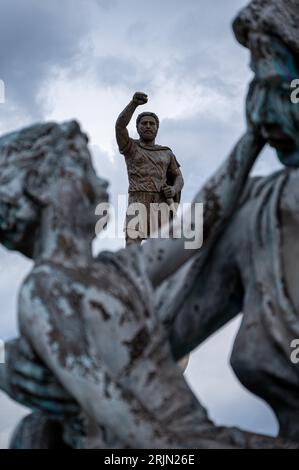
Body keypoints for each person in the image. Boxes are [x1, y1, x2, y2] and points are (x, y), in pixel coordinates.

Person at [0, 116, 283, 448]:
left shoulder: (118, 268)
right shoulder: (46, 289)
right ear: (38, 185)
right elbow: (106, 401)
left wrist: (253, 135)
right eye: (83, 167)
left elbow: (200, 221)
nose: (103, 183)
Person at [115, 92, 184, 245]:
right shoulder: (131, 147)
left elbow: (178, 177)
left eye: (151, 124)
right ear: (137, 127)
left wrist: (173, 190)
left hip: (160, 203)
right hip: (137, 200)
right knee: (132, 244)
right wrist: (133, 104)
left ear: (157, 128)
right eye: (144, 123)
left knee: (162, 248)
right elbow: (120, 126)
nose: (147, 126)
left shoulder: (166, 153)